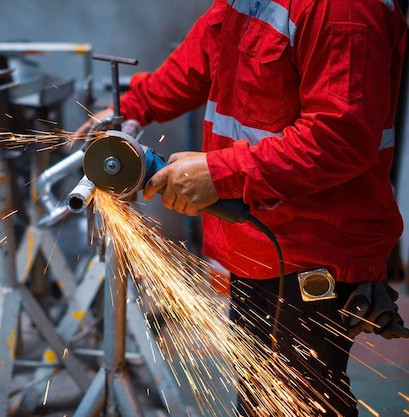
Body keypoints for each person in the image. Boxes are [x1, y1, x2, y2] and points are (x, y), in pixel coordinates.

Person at [77, 0, 409, 415]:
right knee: (260, 396)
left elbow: (339, 137)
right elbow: (206, 51)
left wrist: (220, 173)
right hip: (259, 241)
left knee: (297, 402)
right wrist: (134, 109)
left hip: (310, 249)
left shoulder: (343, 8)